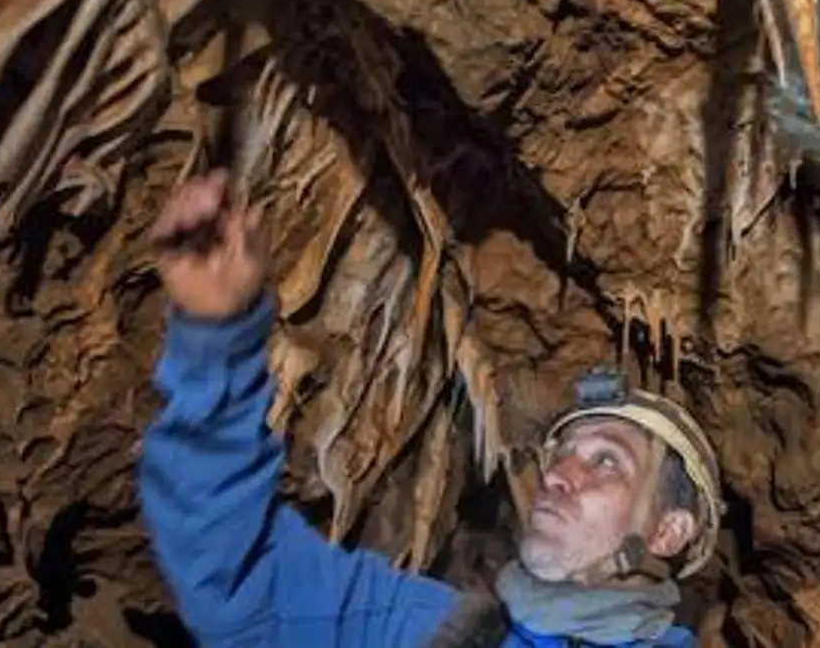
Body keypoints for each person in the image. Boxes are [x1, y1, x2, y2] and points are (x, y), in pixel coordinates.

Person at [137, 170, 724, 647]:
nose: (560, 476)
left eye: (607, 463)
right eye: (563, 453)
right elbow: (239, 574)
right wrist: (217, 338)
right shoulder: (417, 627)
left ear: (668, 530)